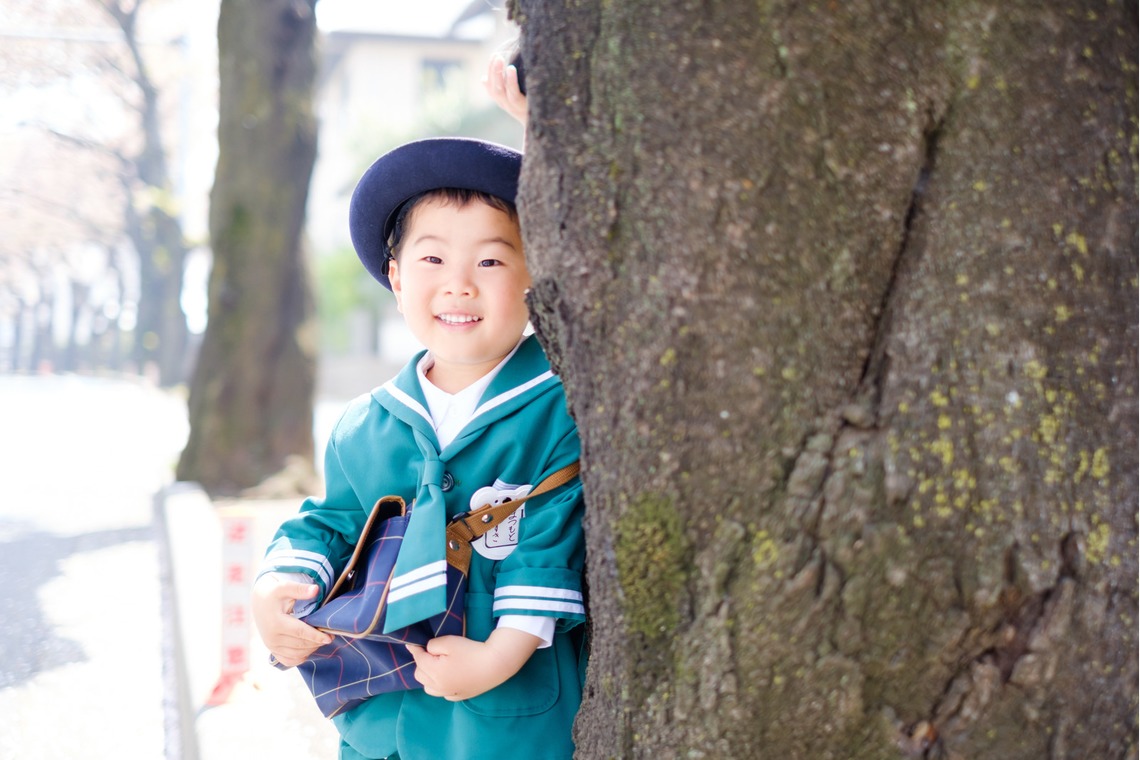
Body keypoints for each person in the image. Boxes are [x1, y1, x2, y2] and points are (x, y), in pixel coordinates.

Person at [251, 136, 586, 760]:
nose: (458, 286)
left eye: (490, 262)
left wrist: (496, 658)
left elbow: (547, 541)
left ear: (533, 274)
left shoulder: (560, 405)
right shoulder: (365, 423)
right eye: (432, 260)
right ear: (396, 277)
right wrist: (281, 585)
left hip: (504, 720)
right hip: (382, 720)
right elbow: (333, 522)